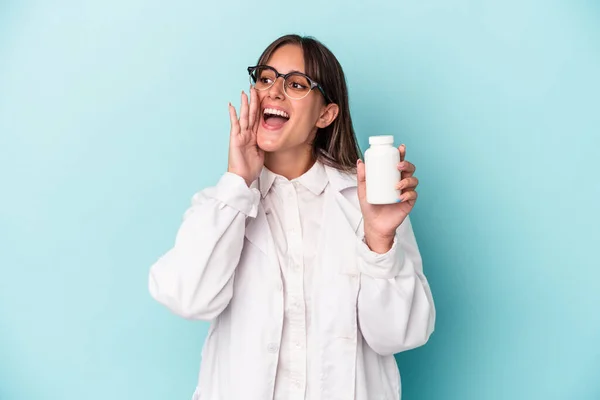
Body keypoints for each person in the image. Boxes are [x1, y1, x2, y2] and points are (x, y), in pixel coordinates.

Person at [148, 34, 435, 400]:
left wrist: (379, 242)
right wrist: (238, 183)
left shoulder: (369, 204)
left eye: (296, 84)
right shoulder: (221, 205)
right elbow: (186, 298)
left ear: (325, 114)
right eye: (266, 78)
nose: (275, 91)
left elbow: (398, 336)